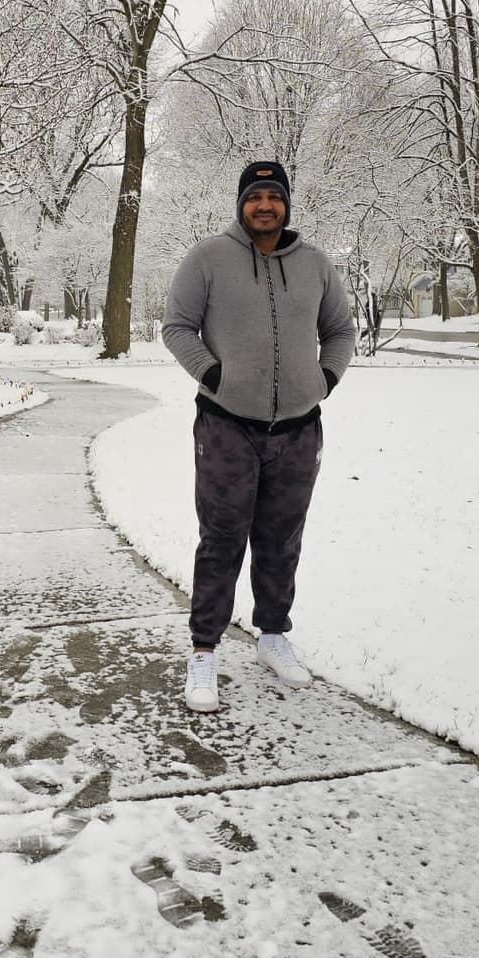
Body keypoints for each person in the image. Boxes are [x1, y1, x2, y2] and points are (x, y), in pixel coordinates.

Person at [162, 160, 356, 712]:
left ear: (286, 203)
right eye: (255, 196)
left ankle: (273, 636)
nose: (264, 205)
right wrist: (212, 373)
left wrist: (326, 378)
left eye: (274, 196)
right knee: (221, 539)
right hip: (226, 426)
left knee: (281, 537)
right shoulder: (207, 259)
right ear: (241, 203)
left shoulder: (316, 265)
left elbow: (340, 329)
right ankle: (204, 651)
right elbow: (177, 326)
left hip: (298, 429)